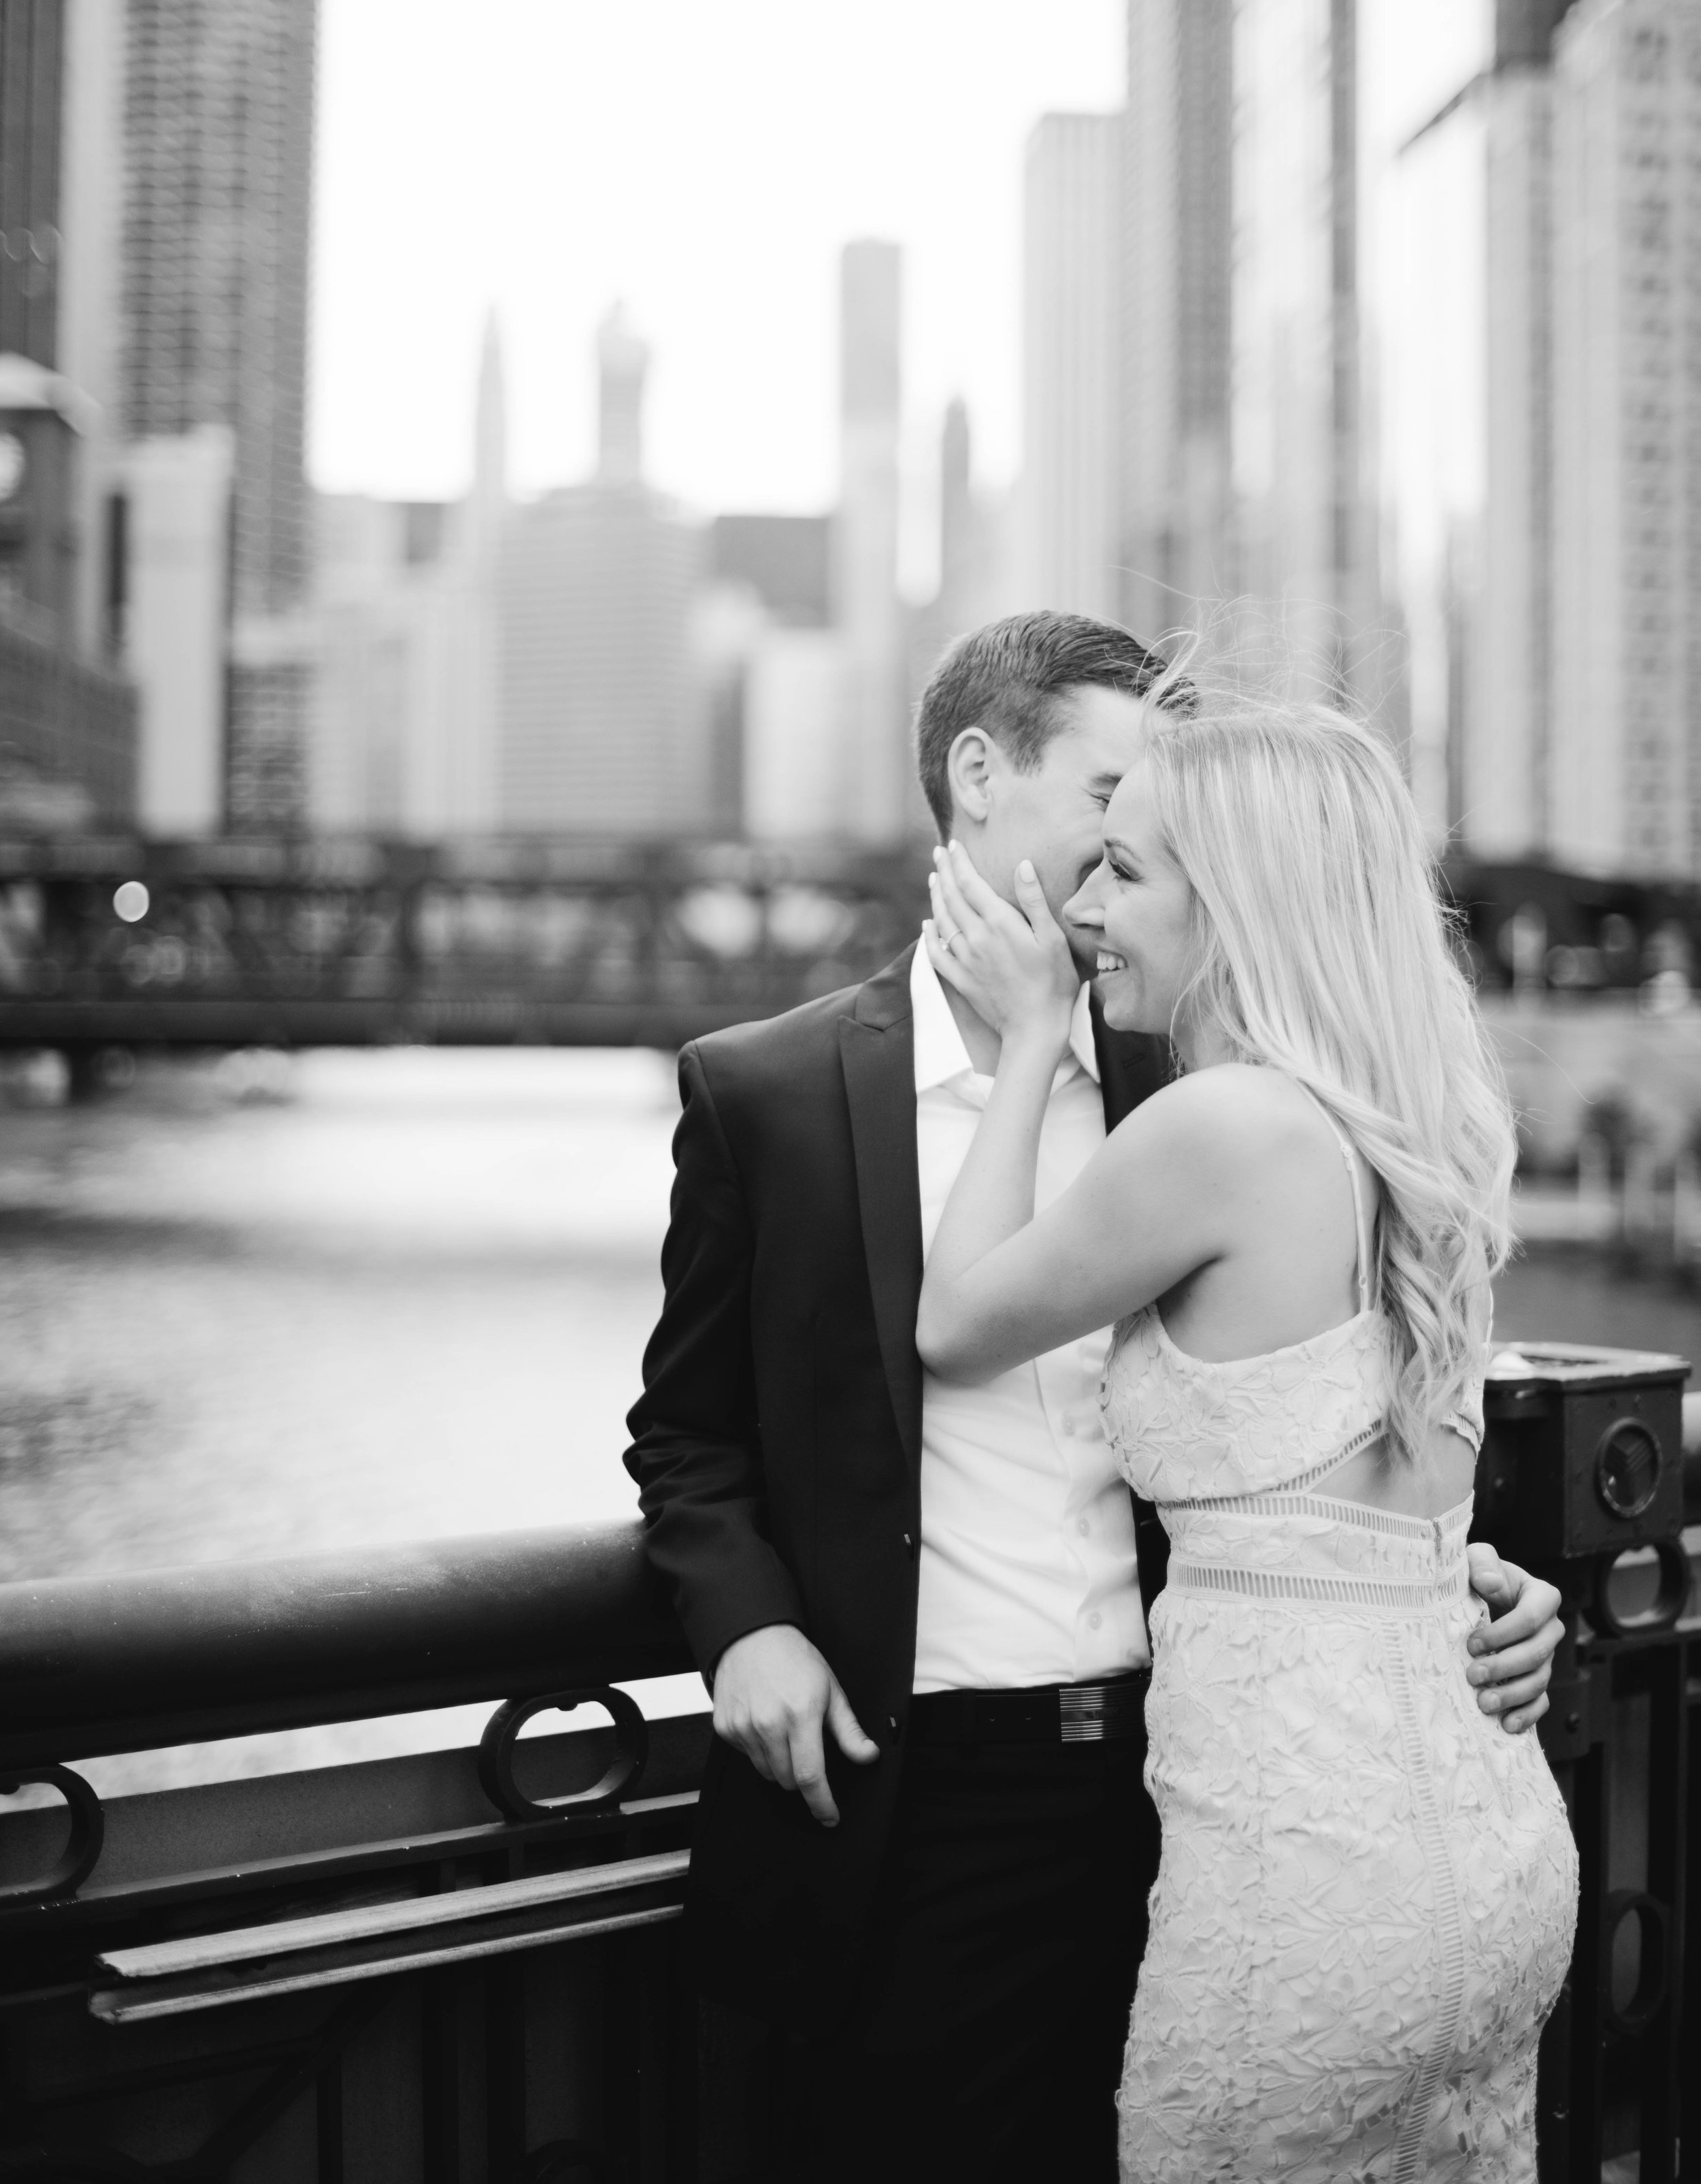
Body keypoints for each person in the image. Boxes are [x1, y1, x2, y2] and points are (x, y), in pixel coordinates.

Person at [625, 614, 1565, 2184]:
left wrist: (1472, 1578)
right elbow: (687, 1431)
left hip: (1202, 1792)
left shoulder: (1191, 1063)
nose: (1125, 861)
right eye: (1114, 796)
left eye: (1155, 835)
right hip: (925, 1802)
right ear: (980, 779)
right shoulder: (768, 1091)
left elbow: (1347, 1408)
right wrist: (747, 1622)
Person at [916, 689, 1579, 2181]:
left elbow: (953, 1318)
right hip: (1489, 1855)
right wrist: (1480, 1577)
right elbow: (1354, 1490)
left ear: (1240, 907)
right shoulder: (1419, 1136)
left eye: (1128, 871)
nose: (1085, 903)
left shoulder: (1219, 1126)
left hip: (1304, 1899)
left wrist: (1029, 1036)